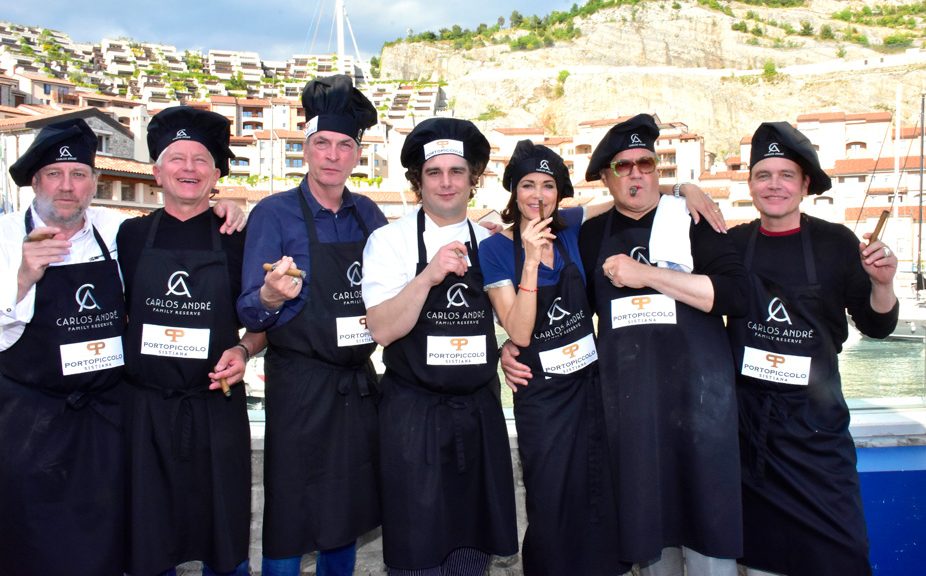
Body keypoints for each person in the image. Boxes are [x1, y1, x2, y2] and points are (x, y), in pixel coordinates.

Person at [0, 118, 243, 576]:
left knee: (108, 539)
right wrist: (22, 278)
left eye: (79, 175)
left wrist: (230, 205)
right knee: (31, 539)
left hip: (107, 417)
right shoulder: (7, 238)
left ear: (94, 182)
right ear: (35, 182)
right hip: (30, 422)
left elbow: (183, 220)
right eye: (54, 174)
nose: (67, 187)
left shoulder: (114, 231)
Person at [727, 122, 897, 576]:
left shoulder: (835, 242)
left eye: (787, 175)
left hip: (816, 435)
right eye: (764, 175)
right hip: (752, 439)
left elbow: (877, 324)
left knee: (842, 555)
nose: (774, 185)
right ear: (750, 184)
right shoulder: (733, 244)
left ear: (804, 185)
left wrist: (883, 284)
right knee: (761, 562)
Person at [579, 113, 746, 574]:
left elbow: (733, 294)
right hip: (633, 417)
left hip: (701, 410)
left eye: (646, 163)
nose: (636, 173)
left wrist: (647, 275)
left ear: (658, 169)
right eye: (623, 166)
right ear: (608, 178)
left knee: (710, 547)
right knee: (652, 550)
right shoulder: (592, 234)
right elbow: (571, 313)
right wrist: (514, 349)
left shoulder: (692, 218)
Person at [237, 74, 385, 576]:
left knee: (344, 511)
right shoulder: (273, 214)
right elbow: (248, 312)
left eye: (345, 145)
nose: (333, 155)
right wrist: (269, 296)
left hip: (358, 386)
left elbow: (397, 285)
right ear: (306, 149)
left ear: (356, 155)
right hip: (298, 387)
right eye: (322, 143)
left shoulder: (369, 215)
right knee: (289, 510)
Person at [362, 117, 518, 575]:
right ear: (418, 182)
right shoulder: (388, 242)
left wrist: (509, 348)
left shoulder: (491, 243)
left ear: (473, 181)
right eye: (434, 172)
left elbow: (512, 319)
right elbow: (382, 329)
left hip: (479, 414)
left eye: (457, 172)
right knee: (417, 550)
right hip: (414, 420)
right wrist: (428, 276)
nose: (446, 182)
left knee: (473, 549)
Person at [120, 106, 263, 576]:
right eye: (176, 158)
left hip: (215, 409)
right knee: (147, 542)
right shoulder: (130, 235)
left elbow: (264, 321)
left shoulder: (238, 236)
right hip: (145, 414)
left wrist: (244, 350)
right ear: (157, 171)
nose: (188, 168)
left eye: (200, 159)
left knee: (224, 543)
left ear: (217, 173)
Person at [477, 139, 626, 576]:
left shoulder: (573, 227)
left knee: (600, 493)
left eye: (547, 185)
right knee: (550, 496)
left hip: (591, 387)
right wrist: (529, 261)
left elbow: (621, 196)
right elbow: (519, 332)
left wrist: (684, 192)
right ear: (513, 192)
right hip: (542, 396)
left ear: (559, 193)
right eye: (527, 185)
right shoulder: (496, 250)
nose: (537, 195)